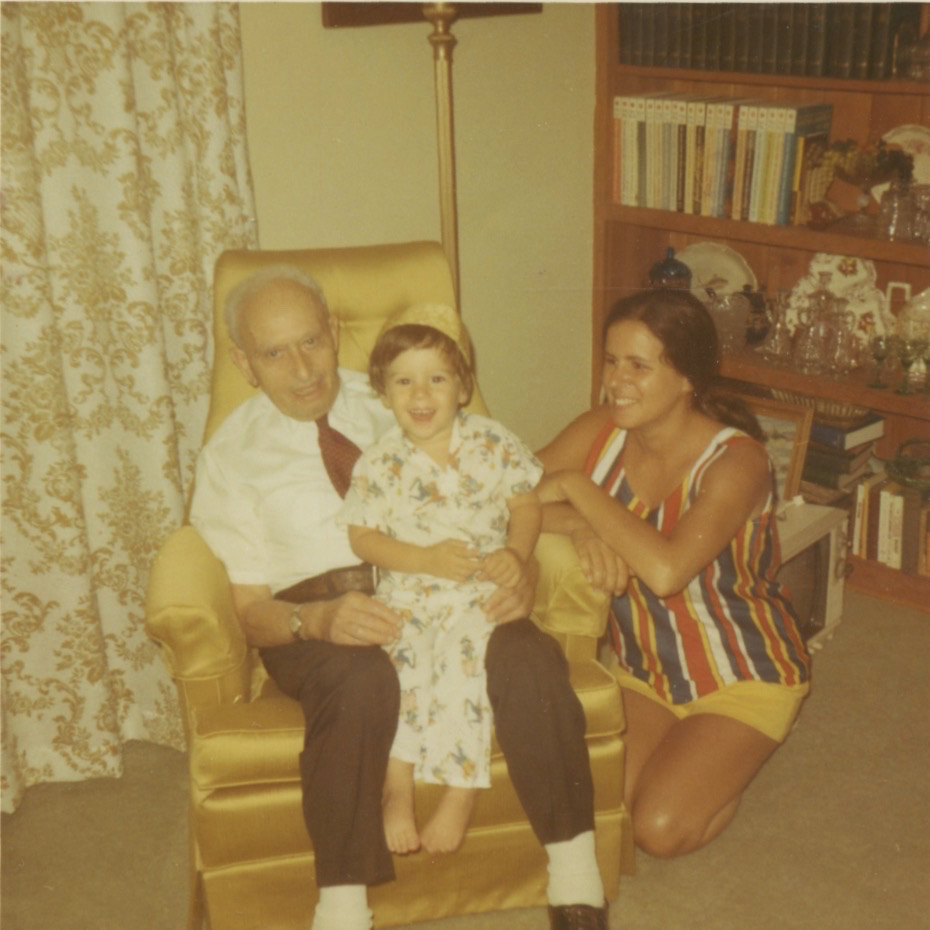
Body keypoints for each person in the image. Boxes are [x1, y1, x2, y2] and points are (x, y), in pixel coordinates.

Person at [188, 265, 609, 930]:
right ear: (243, 363)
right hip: (315, 616)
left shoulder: (407, 388)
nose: (302, 369)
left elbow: (496, 492)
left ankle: (575, 874)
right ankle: (343, 906)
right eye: (274, 353)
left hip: (448, 590)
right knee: (361, 680)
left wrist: (526, 567)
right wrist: (316, 619)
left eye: (311, 341)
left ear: (334, 332)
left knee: (528, 657)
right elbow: (249, 611)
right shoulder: (228, 457)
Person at [536, 287, 811, 860]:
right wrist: (581, 526)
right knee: (596, 809)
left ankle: (727, 763)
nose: (617, 381)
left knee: (656, 830)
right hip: (646, 670)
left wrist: (579, 490)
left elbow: (665, 570)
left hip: (744, 672)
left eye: (639, 366)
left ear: (687, 378)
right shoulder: (599, 431)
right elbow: (497, 503)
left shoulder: (739, 460)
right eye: (611, 361)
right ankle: (696, 759)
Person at [338, 303, 542, 857]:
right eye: (403, 381)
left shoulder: (494, 442)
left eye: (437, 379)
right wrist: (423, 559)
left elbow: (526, 506)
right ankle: (397, 786)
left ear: (463, 387)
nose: (421, 394)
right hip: (409, 595)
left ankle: (460, 790)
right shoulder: (378, 463)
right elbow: (362, 537)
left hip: (479, 597)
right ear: (383, 394)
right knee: (404, 670)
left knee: (462, 667)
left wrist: (516, 554)